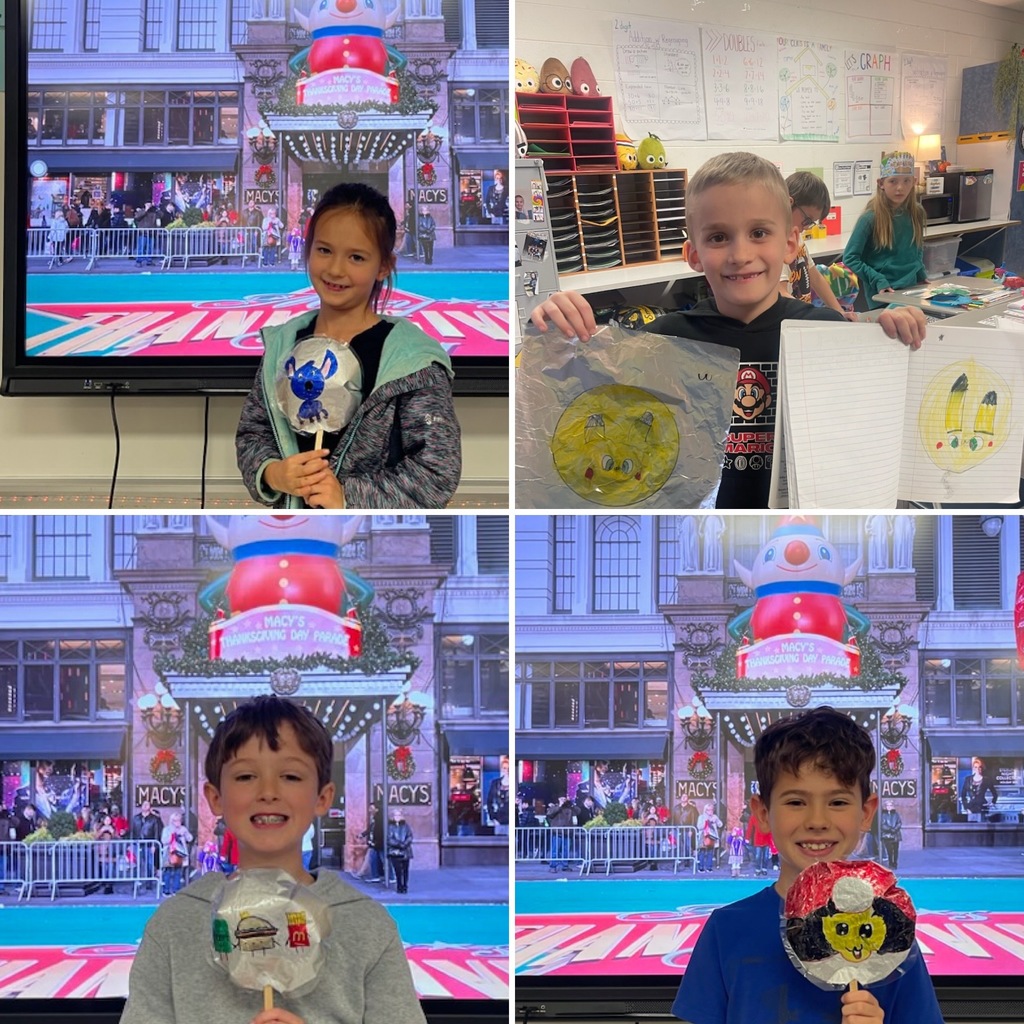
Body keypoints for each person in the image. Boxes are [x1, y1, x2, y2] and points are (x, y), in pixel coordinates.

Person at [530, 152, 927, 509]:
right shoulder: (663, 342)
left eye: (759, 233)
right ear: (694, 255)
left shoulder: (826, 335)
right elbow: (591, 422)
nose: (740, 254)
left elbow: (875, 430)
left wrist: (889, 338)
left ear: (790, 245)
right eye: (719, 237)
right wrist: (557, 333)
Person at [119, 695, 425, 1024]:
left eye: (291, 776)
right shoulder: (173, 926)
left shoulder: (367, 926)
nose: (268, 791)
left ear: (322, 798)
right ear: (215, 798)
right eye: (245, 777)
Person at [672, 706, 944, 1024]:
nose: (817, 821)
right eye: (796, 802)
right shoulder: (726, 930)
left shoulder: (889, 936)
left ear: (867, 812)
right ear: (762, 813)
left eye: (838, 802)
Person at [236, 182, 462, 509]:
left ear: (383, 265)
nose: (335, 269)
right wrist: (273, 473)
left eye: (356, 257)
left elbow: (437, 471)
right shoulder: (282, 343)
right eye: (324, 250)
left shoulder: (413, 361)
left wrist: (347, 497)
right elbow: (252, 435)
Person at [842, 150, 928, 310]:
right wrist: (877, 279)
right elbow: (850, 257)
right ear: (881, 183)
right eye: (893, 181)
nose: (900, 188)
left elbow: (917, 247)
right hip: (884, 293)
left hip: (912, 290)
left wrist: (921, 272)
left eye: (906, 181)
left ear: (914, 181)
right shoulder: (870, 218)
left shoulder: (917, 212)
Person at [780, 172, 856, 320]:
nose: (807, 227)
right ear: (789, 203)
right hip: (789, 320)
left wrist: (839, 311)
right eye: (807, 220)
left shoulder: (797, 238)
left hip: (799, 317)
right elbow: (781, 294)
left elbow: (816, 278)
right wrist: (816, 316)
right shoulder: (778, 243)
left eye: (811, 222)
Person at [131, 801, 163, 891]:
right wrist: (131, 843)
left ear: (150, 806)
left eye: (147, 804)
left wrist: (155, 845)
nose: (145, 806)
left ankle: (149, 882)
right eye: (143, 804)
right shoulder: (136, 818)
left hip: (149, 844)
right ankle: (136, 881)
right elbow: (132, 831)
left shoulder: (154, 819)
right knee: (137, 864)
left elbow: (157, 832)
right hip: (138, 844)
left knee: (149, 864)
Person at [160, 812, 193, 897]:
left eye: (179, 820)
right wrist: (172, 836)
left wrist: (185, 834)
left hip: (180, 854)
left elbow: (190, 839)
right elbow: (163, 841)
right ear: (172, 821)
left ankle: (176, 890)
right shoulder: (167, 829)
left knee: (178, 872)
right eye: (175, 820)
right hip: (169, 853)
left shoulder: (183, 829)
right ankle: (166, 890)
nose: (177, 822)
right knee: (168, 872)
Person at [960, 756, 998, 822]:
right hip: (971, 807)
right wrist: (966, 808)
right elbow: (963, 795)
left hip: (983, 807)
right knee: (972, 828)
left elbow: (995, 794)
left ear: (982, 768)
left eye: (979, 767)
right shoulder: (968, 779)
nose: (978, 769)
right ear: (973, 768)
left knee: (982, 827)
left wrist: (992, 803)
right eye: (976, 767)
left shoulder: (987, 780)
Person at [386, 808, 414, 893]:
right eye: (395, 815)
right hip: (395, 852)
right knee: (398, 871)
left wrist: (405, 844)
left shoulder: (406, 826)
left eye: (398, 815)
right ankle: (399, 886)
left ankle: (405, 886)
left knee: (405, 870)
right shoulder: (390, 827)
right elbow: (389, 839)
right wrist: (399, 844)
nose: (397, 817)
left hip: (405, 851)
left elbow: (410, 836)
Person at [486, 755, 510, 835]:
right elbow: (489, 802)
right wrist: (493, 818)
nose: (507, 771)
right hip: (498, 822)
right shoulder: (495, 783)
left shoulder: (516, 784)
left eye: (509, 768)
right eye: (505, 768)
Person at [696, 802, 722, 872]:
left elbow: (720, 825)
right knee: (702, 852)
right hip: (703, 837)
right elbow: (699, 827)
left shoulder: (715, 816)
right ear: (705, 810)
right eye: (709, 810)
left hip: (712, 837)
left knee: (710, 853)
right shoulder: (701, 817)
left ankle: (709, 867)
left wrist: (716, 821)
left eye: (712, 810)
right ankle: (701, 867)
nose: (711, 811)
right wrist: (706, 822)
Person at [880, 799, 903, 869]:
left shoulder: (896, 814)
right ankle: (890, 863)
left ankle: (895, 863)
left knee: (896, 850)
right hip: (887, 835)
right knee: (889, 851)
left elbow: (899, 823)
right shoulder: (883, 815)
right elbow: (882, 824)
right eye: (888, 805)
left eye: (890, 805)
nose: (889, 806)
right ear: (886, 806)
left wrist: (895, 829)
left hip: (896, 835)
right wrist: (890, 829)